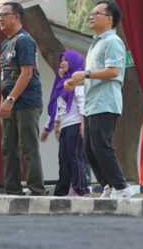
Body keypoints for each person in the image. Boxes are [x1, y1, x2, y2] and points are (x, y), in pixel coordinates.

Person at [65, 0, 135, 199]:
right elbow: (95, 75)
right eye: (91, 13)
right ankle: (109, 185)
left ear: (109, 18)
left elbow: (113, 71)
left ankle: (122, 187)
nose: (91, 16)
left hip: (105, 102)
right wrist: (76, 81)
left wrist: (85, 74)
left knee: (101, 146)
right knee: (89, 149)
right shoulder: (96, 43)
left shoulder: (113, 41)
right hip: (92, 103)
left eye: (96, 13)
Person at [0, 1, 46, 196]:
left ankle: (37, 191)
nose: (0, 19)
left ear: (17, 16)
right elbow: (5, 77)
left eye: (4, 15)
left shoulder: (24, 40)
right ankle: (13, 191)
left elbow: (26, 73)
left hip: (26, 102)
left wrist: (10, 100)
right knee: (8, 148)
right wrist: (3, 103)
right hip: (9, 103)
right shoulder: (4, 44)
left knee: (28, 148)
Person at [40, 50, 89, 196]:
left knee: (75, 157)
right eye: (61, 60)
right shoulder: (62, 83)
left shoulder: (77, 81)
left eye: (66, 60)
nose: (62, 63)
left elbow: (82, 102)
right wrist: (56, 125)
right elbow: (58, 106)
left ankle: (80, 189)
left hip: (75, 123)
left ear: (73, 62)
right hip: (65, 126)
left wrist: (83, 123)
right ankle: (61, 191)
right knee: (63, 159)